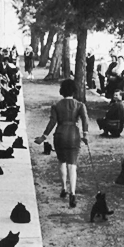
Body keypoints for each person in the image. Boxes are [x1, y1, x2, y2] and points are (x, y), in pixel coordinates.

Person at [35, 78, 89, 209]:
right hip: (74, 135)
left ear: (62, 91)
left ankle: (63, 187)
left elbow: (52, 122)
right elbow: (85, 120)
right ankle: (73, 193)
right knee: (72, 165)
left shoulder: (56, 105)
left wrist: (43, 136)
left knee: (61, 162)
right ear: (74, 91)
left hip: (59, 134)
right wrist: (85, 134)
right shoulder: (80, 105)